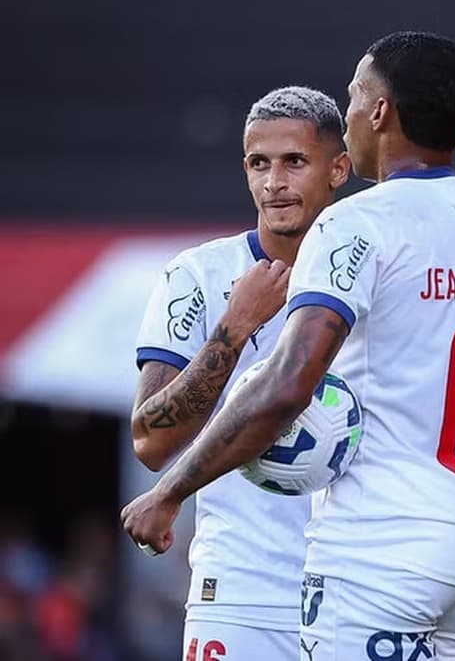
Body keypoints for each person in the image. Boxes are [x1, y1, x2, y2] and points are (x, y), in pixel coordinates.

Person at [121, 30, 455, 660]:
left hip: (378, 555)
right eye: (258, 163)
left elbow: (286, 386)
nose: (275, 181)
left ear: (378, 114)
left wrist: (169, 494)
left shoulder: (356, 225)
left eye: (355, 96)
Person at [130, 85, 350, 660]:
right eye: (259, 163)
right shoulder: (198, 275)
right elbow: (151, 439)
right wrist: (234, 328)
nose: (273, 182)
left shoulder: (376, 270)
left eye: (294, 162)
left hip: (363, 582)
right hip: (241, 590)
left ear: (339, 168)